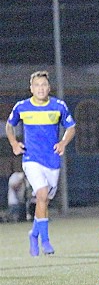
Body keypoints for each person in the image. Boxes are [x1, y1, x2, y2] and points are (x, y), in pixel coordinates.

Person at [5, 70, 76, 256]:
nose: (41, 88)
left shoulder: (58, 106)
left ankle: (33, 234)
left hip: (52, 160)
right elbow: (9, 125)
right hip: (31, 159)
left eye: (44, 85)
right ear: (31, 88)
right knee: (41, 194)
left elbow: (71, 127)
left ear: (49, 87)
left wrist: (63, 142)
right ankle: (45, 241)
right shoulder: (22, 107)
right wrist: (14, 143)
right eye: (37, 85)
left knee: (44, 201)